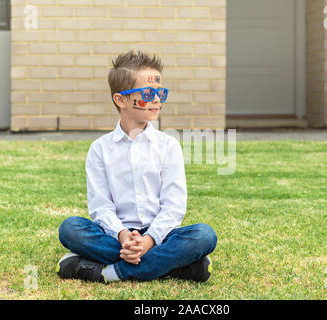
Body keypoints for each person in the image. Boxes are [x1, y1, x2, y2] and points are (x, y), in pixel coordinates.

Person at [56, 50, 217, 283]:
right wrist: (123, 236)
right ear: (120, 100)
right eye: (148, 93)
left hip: (161, 234)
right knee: (70, 229)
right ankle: (178, 267)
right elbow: (100, 207)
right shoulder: (100, 149)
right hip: (115, 236)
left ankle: (110, 272)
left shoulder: (168, 146)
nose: (157, 99)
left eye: (160, 92)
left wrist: (149, 240)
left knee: (203, 235)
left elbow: (174, 207)